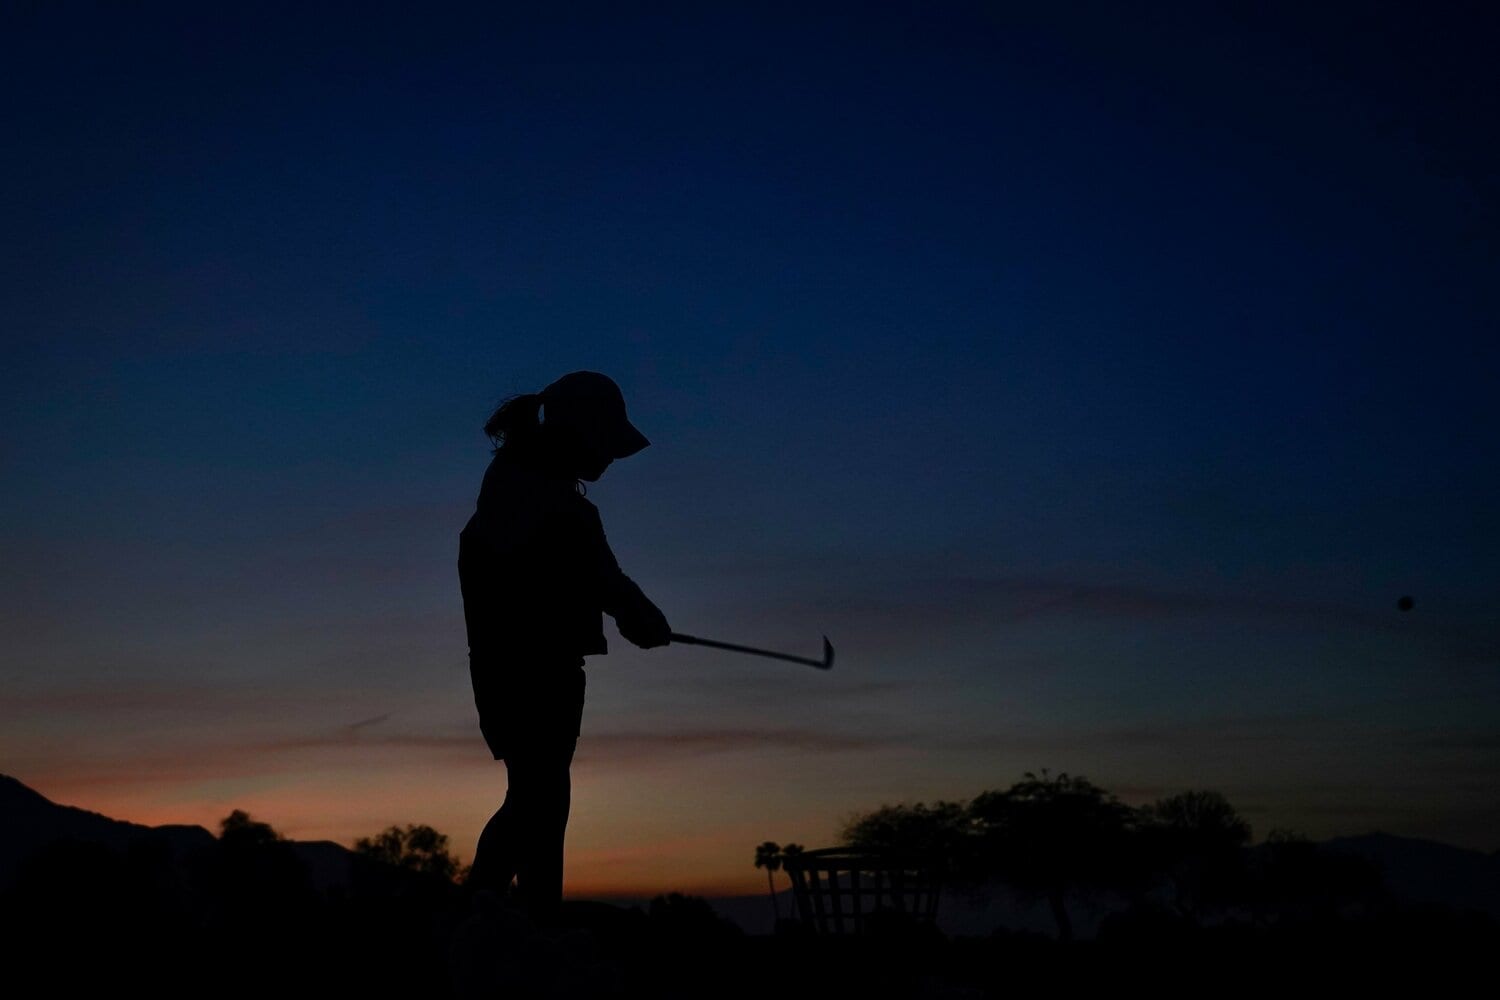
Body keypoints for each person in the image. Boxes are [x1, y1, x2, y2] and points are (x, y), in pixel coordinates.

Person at [456, 371, 671, 922]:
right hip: (536, 673)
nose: (611, 460)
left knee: (538, 798)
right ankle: (500, 916)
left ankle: (518, 918)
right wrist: (639, 615)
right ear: (581, 435)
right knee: (541, 800)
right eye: (606, 444)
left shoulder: (513, 487)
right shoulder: (552, 503)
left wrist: (628, 610)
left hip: (508, 670)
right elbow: (603, 580)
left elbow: (588, 578)